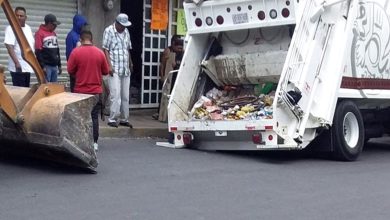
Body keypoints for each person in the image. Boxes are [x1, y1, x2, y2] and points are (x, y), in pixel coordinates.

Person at [67, 30, 109, 151]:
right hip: (95, 91)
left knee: (81, 117)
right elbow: (106, 71)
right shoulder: (100, 53)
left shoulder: (76, 52)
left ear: (80, 39)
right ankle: (94, 142)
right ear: (92, 39)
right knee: (93, 117)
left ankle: (81, 141)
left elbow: (70, 70)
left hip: (80, 91)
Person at [102, 13, 134, 128]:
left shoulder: (126, 32)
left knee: (125, 95)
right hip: (114, 68)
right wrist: (109, 66)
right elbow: (105, 49)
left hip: (125, 68)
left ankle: (124, 119)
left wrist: (130, 62)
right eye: (122, 25)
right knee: (115, 95)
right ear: (117, 23)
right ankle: (112, 119)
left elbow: (128, 49)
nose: (124, 27)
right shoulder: (109, 31)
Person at [152, 35, 184, 120]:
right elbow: (162, 65)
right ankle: (161, 113)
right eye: (178, 48)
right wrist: (162, 76)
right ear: (173, 44)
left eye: (181, 48)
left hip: (178, 76)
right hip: (169, 76)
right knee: (165, 95)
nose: (180, 50)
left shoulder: (183, 52)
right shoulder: (168, 51)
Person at [4, 6, 34, 87]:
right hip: (18, 68)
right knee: (20, 92)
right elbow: (9, 46)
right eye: (16, 15)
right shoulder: (11, 28)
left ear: (26, 17)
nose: (19, 17)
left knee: (26, 90)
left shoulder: (28, 28)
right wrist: (17, 63)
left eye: (21, 16)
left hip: (27, 67)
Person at [34, 13, 62, 82]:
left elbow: (57, 50)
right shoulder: (39, 33)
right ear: (49, 24)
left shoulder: (54, 33)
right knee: (46, 87)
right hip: (47, 66)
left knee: (54, 87)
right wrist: (42, 66)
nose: (56, 26)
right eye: (54, 24)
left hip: (54, 66)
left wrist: (59, 65)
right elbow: (38, 51)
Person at [66, 14, 88, 92]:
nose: (84, 27)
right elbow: (69, 54)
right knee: (75, 91)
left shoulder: (81, 35)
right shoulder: (71, 36)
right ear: (78, 24)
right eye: (83, 25)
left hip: (82, 69)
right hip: (75, 69)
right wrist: (72, 69)